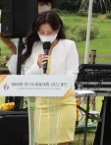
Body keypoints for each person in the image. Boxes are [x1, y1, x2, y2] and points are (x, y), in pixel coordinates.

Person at [6, 11, 79, 144]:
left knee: (63, 141)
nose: (46, 36)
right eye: (42, 32)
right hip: (43, 102)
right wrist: (36, 66)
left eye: (50, 32)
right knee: (42, 141)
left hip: (64, 101)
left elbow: (72, 74)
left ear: (58, 29)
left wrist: (58, 86)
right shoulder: (33, 47)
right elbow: (26, 78)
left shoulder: (68, 45)